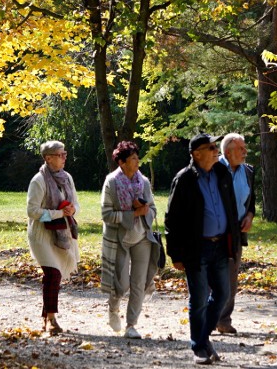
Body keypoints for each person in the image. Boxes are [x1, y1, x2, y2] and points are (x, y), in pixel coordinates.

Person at [165, 133, 240, 365]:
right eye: (210, 147)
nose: (216, 150)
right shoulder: (185, 179)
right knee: (198, 298)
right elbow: (172, 219)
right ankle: (198, 347)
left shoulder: (221, 173)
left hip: (221, 246)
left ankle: (203, 338)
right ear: (196, 154)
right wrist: (175, 254)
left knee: (222, 295)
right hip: (196, 248)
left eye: (216, 146)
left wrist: (235, 239)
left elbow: (231, 208)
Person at [99, 140, 161, 340]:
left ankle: (131, 325)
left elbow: (152, 209)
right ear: (122, 162)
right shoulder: (111, 182)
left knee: (139, 283)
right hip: (120, 239)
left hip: (142, 237)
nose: (137, 162)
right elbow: (106, 214)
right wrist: (132, 213)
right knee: (122, 284)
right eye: (133, 159)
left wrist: (144, 211)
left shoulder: (143, 182)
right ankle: (113, 307)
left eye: (137, 158)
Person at [27, 140, 80, 335]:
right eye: (60, 155)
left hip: (62, 232)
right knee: (53, 274)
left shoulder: (67, 178)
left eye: (64, 153)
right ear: (48, 158)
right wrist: (59, 213)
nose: (64, 157)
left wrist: (72, 209)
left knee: (53, 276)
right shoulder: (38, 181)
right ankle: (51, 319)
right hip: (41, 234)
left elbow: (76, 204)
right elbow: (32, 211)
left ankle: (45, 318)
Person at [216, 133, 256, 334]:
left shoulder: (248, 171)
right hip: (215, 232)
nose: (245, 152)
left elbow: (252, 200)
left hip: (236, 233)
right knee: (211, 276)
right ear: (228, 151)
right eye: (241, 149)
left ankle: (223, 320)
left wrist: (250, 215)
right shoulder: (213, 170)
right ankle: (207, 317)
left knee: (231, 277)